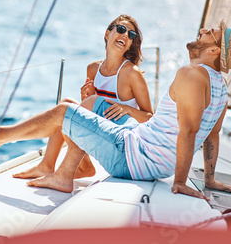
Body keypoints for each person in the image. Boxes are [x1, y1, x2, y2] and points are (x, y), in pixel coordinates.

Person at [0, 20, 231, 199]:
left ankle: (0, 135)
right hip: (140, 146)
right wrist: (209, 180)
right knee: (81, 106)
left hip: (132, 157)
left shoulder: (192, 74)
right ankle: (65, 173)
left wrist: (180, 182)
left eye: (209, 33)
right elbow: (212, 136)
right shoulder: (220, 86)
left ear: (214, 51)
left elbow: (190, 131)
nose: (201, 31)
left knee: (66, 113)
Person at [12, 14, 153, 180]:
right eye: (121, 29)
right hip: (102, 133)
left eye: (131, 35)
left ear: (130, 44)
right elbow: (95, 108)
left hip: (120, 142)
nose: (125, 35)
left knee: (68, 112)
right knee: (66, 104)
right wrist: (88, 98)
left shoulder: (131, 73)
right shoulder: (93, 69)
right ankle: (48, 165)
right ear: (108, 34)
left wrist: (127, 109)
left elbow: (150, 118)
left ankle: (76, 168)